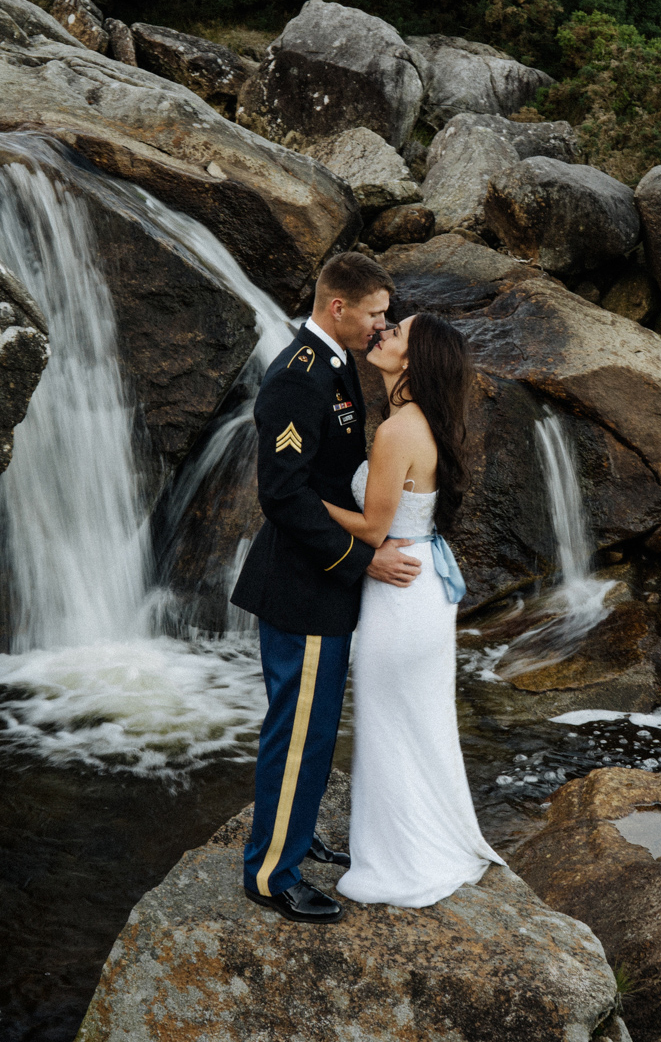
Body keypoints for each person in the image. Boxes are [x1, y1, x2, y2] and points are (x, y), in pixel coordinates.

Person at [230, 252, 420, 925]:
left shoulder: (337, 363)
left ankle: (297, 832)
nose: (382, 325)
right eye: (374, 314)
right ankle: (269, 874)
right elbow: (283, 496)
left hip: (323, 585)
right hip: (303, 587)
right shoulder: (296, 380)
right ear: (338, 308)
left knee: (314, 729)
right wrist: (362, 558)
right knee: (299, 730)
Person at [321, 313, 505, 908]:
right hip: (421, 587)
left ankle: (402, 859)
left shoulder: (399, 430)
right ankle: (425, 842)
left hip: (399, 596)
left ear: (413, 361)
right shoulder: (422, 423)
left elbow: (374, 529)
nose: (383, 334)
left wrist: (308, 501)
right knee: (415, 723)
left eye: (395, 333)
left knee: (388, 725)